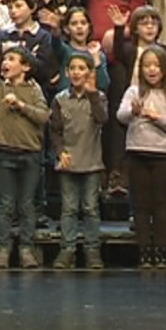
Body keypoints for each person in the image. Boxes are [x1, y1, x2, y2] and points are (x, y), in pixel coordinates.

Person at [0, 10, 50, 269]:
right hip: (5, 152)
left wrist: (21, 106)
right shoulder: (1, 87)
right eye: (5, 59)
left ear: (26, 66)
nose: (6, 63)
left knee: (27, 204)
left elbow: (43, 116)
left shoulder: (34, 90)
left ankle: (27, 249)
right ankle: (3, 248)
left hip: (29, 152)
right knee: (6, 203)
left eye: (12, 59)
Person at [117, 45, 166, 269]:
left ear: (164, 69)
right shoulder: (133, 92)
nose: (151, 70)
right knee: (141, 204)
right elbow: (121, 116)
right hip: (138, 151)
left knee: (160, 203)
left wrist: (158, 118)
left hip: (164, 154)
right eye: (147, 66)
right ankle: (144, 251)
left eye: (156, 65)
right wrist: (134, 112)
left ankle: (160, 250)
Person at [50, 52, 108, 270]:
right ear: (67, 72)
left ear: (90, 73)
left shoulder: (98, 97)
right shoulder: (60, 99)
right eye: (72, 68)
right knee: (69, 208)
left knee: (91, 207)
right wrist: (60, 151)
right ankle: (68, 249)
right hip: (69, 160)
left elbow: (103, 118)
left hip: (91, 160)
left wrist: (92, 95)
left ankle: (92, 249)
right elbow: (55, 130)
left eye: (81, 68)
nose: (76, 72)